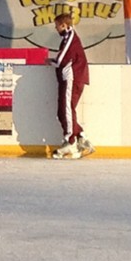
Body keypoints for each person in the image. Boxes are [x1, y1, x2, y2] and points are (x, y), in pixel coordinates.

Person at [48, 9, 92, 159]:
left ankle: (70, 141)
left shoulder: (70, 37)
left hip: (72, 78)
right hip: (70, 79)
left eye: (57, 26)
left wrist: (50, 61)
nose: (56, 29)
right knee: (64, 111)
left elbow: (61, 60)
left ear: (65, 25)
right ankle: (81, 137)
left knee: (65, 110)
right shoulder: (68, 38)